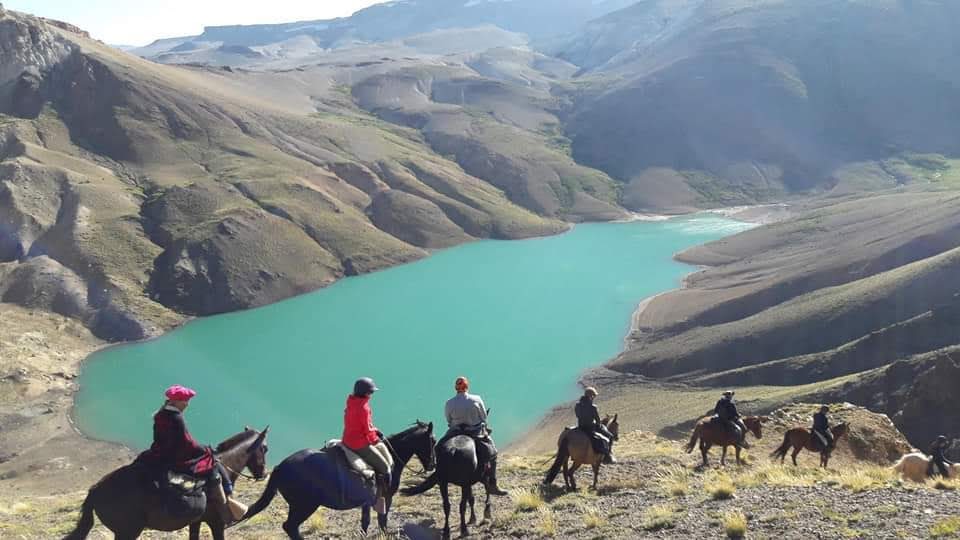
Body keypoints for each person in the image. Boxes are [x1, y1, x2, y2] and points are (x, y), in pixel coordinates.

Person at [135, 385, 247, 524]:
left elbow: (163, 438)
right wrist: (205, 450)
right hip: (174, 456)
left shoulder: (160, 414)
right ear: (176, 401)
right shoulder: (176, 417)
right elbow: (187, 443)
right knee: (211, 464)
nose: (187, 404)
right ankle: (224, 508)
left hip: (159, 452)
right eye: (185, 401)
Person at [442, 376, 508, 495]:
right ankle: (493, 484)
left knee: (439, 447)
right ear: (467, 386)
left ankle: (439, 472)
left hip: (456, 432)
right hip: (474, 432)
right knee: (493, 452)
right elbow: (484, 417)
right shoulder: (476, 399)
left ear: (455, 388)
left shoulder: (449, 402)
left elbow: (448, 419)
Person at [343, 377, 393, 513]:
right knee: (385, 468)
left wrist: (374, 429)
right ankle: (380, 499)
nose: (371, 395)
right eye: (370, 392)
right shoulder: (364, 408)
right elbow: (367, 430)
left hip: (347, 439)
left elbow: (359, 424)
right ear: (365, 393)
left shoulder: (351, 402)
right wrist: (376, 437)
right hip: (359, 444)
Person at [575, 387, 615, 464]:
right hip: (590, 428)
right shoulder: (593, 407)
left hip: (580, 427)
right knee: (610, 436)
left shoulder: (577, 405)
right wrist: (598, 424)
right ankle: (607, 455)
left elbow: (577, 415)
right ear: (591, 396)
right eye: (593, 396)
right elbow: (597, 420)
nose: (594, 398)